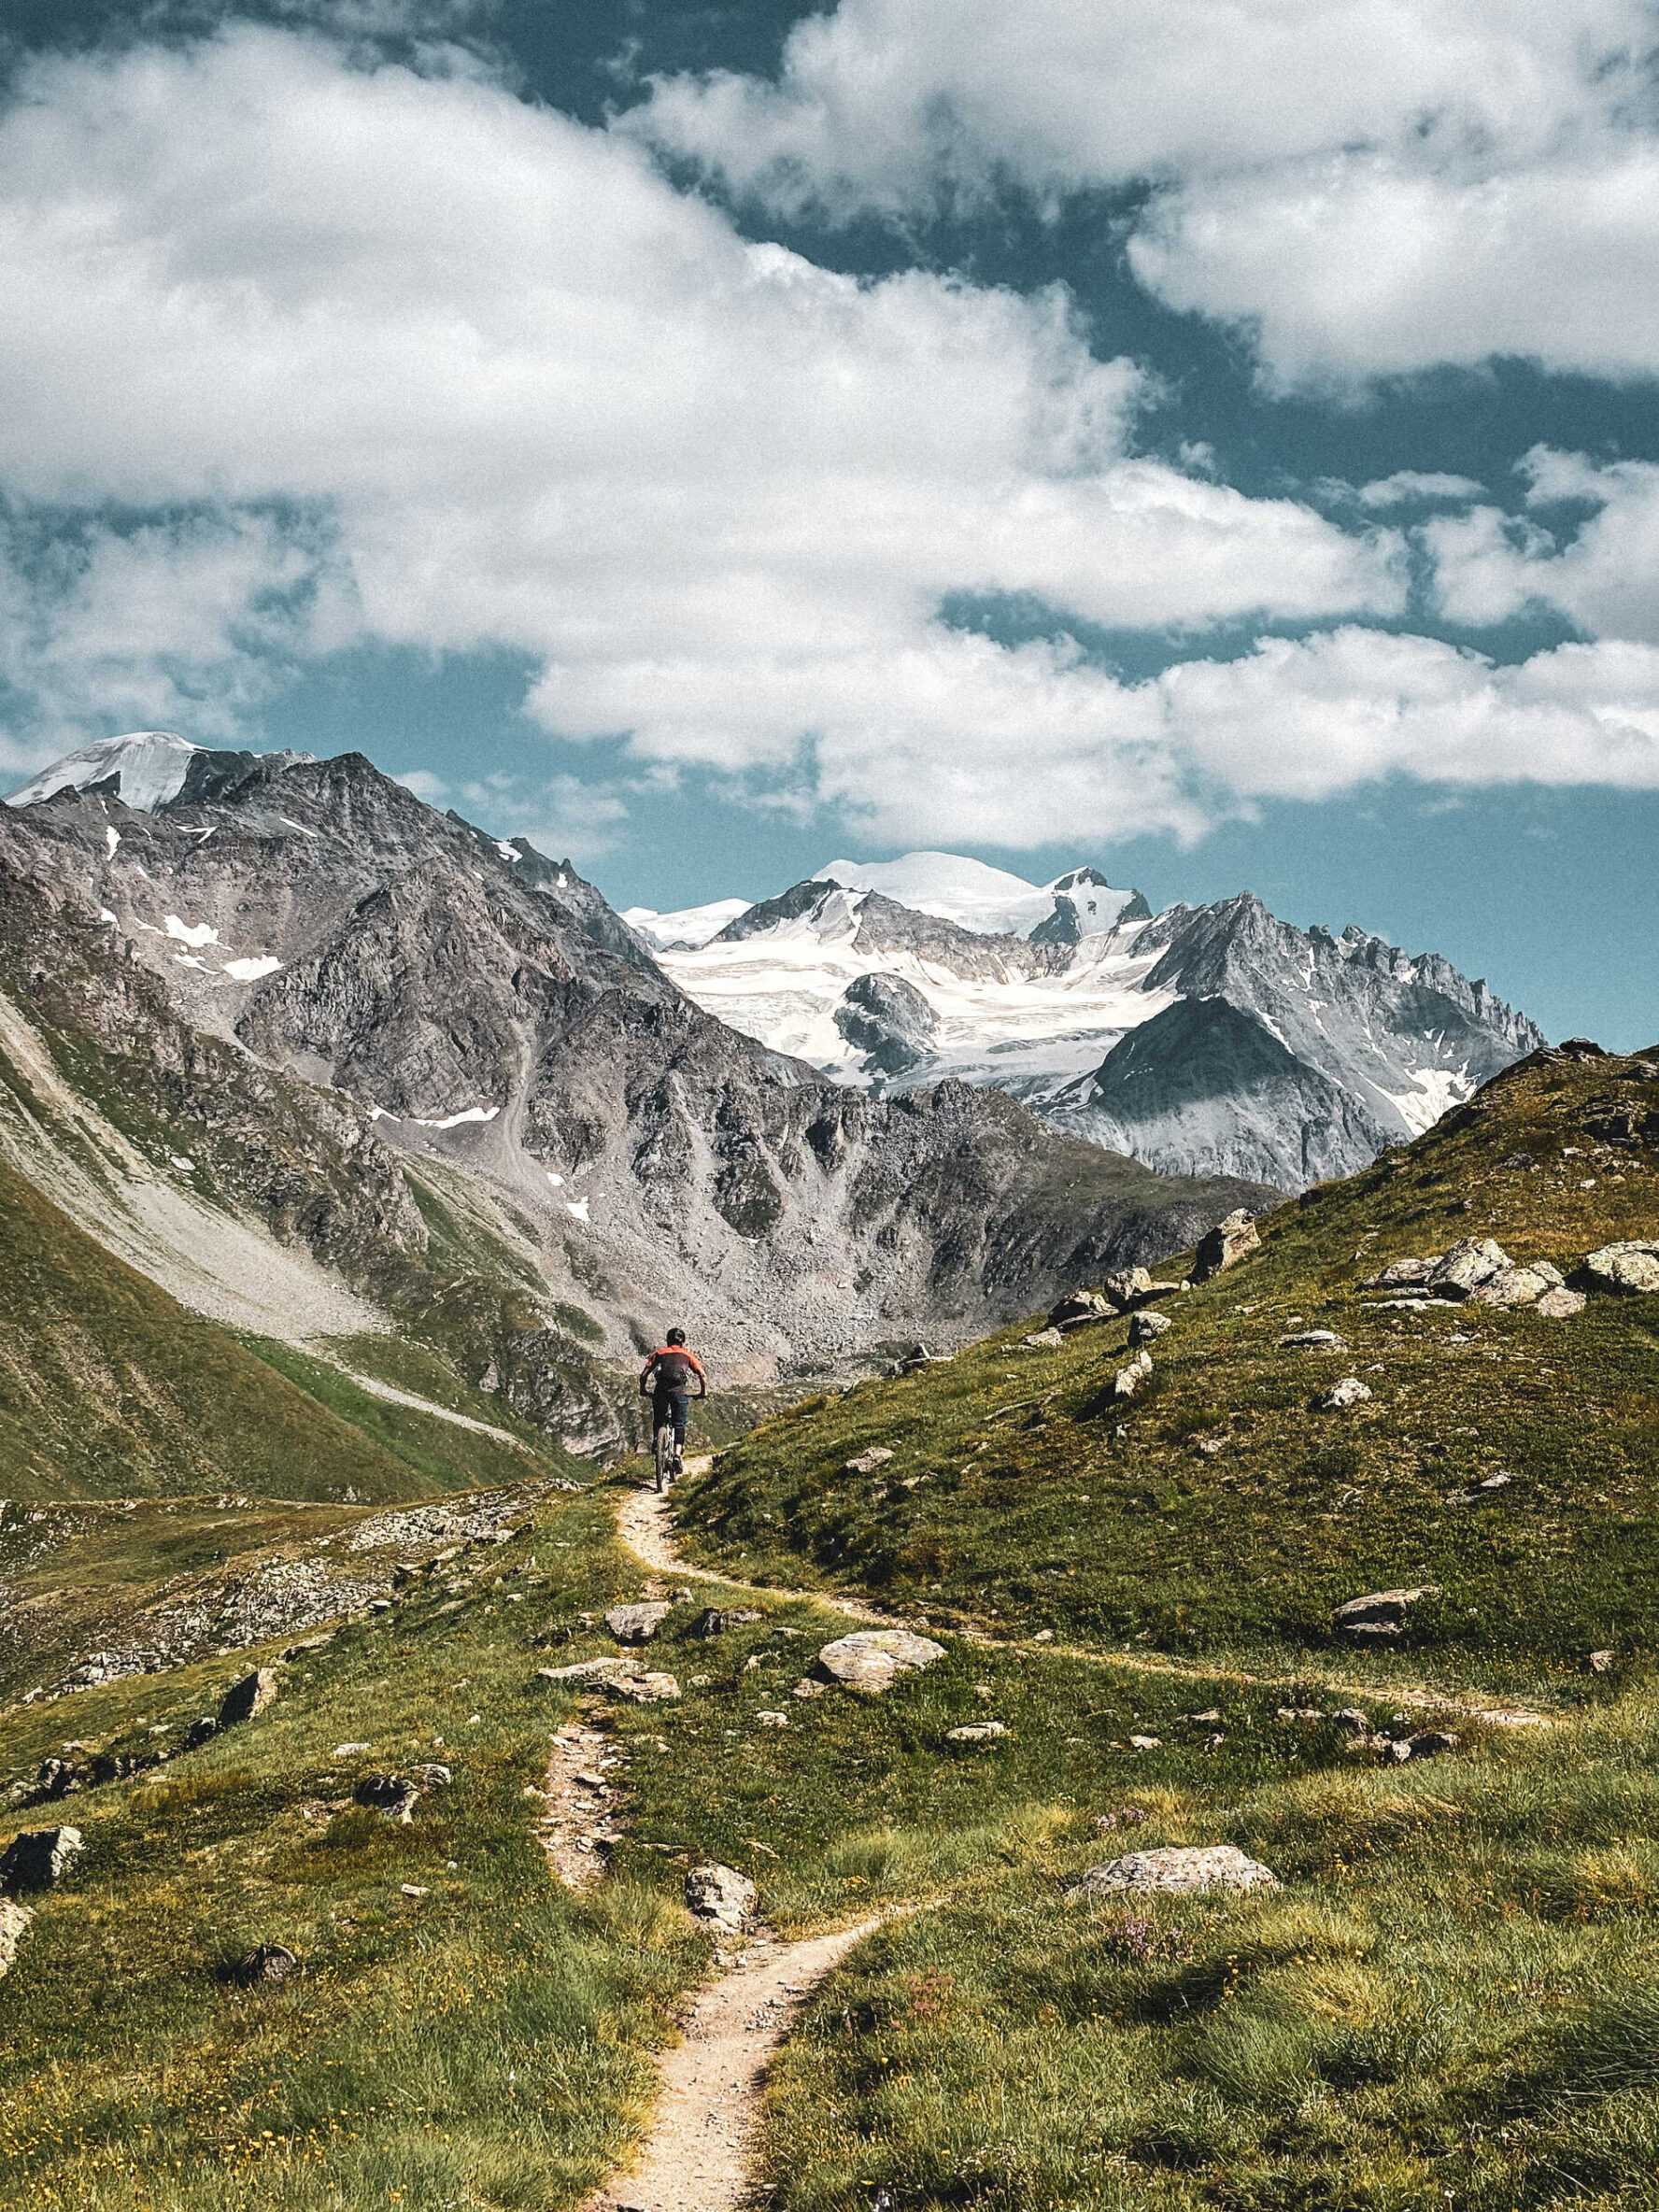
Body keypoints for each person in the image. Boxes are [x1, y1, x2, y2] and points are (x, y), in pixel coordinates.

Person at [639, 1328, 707, 1471]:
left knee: (658, 1419)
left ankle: (657, 1442)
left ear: (668, 1340)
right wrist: (702, 1392)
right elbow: (702, 1375)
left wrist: (643, 1390)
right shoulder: (687, 1354)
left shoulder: (659, 1353)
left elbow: (644, 1375)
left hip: (661, 1392)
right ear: (683, 1342)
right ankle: (677, 1455)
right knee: (679, 1423)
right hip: (679, 1392)